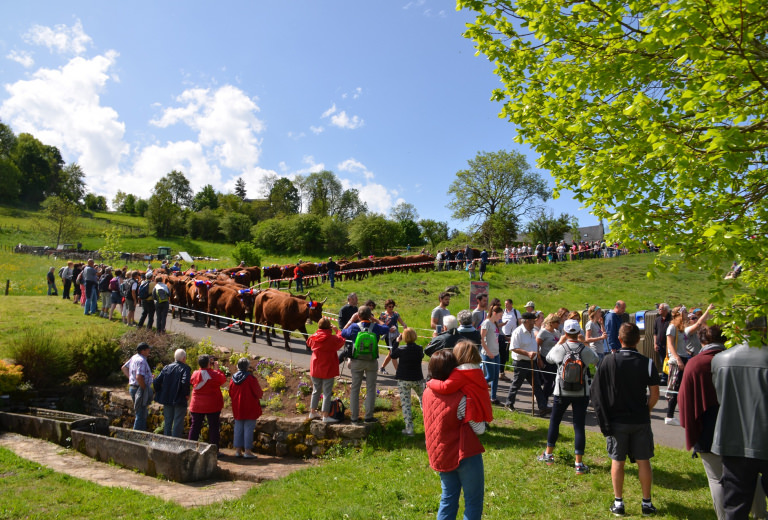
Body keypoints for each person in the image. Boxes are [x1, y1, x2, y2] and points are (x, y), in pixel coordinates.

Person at [591, 323, 660, 516]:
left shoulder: (607, 361)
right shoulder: (647, 363)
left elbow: (596, 391)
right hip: (640, 420)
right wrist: (647, 410)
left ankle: (619, 503)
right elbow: (655, 393)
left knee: (617, 461)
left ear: (619, 340)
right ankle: (646, 503)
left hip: (616, 421)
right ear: (638, 340)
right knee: (643, 460)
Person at [423, 349, 487, 520]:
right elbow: (479, 429)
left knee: (448, 498)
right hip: (464, 453)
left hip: (440, 451)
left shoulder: (427, 392)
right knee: (473, 501)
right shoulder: (461, 397)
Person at [711, 330, 768, 519]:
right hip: (762, 437)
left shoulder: (721, 359)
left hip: (733, 439)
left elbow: (720, 396)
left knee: (735, 506)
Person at [539, 319, 599, 474]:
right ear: (579, 332)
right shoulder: (584, 350)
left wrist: (560, 342)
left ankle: (549, 454)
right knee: (578, 425)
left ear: (565, 332)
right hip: (581, 392)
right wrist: (583, 344)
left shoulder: (560, 348)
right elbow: (595, 360)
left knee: (555, 421)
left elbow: (549, 358)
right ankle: (579, 463)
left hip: (561, 391)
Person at [341, 306, 392, 423]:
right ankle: (368, 417)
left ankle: (354, 418)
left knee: (355, 389)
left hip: (357, 361)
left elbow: (343, 333)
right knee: (370, 389)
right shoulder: (376, 327)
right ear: (370, 315)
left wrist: (351, 320)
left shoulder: (354, 327)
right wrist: (375, 320)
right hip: (371, 361)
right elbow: (386, 328)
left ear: (358, 316)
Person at [665, 304, 713, 425]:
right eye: (685, 313)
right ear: (680, 315)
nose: (687, 316)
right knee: (675, 388)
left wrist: (707, 311)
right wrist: (678, 359)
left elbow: (698, 324)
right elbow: (669, 344)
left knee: (683, 388)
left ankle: (683, 415)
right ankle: (669, 416)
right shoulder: (672, 328)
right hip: (677, 360)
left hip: (684, 358)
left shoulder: (683, 330)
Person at [505, 312, 549, 416]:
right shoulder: (518, 332)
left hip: (532, 362)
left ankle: (542, 407)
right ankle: (509, 404)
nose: (535, 321)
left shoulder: (532, 331)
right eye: (533, 320)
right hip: (521, 363)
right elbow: (513, 348)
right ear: (527, 321)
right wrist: (527, 353)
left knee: (537, 385)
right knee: (516, 384)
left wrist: (536, 357)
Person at [307, 317, 345, 423]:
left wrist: (319, 331)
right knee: (327, 393)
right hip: (328, 368)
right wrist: (337, 330)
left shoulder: (313, 337)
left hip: (315, 367)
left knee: (316, 390)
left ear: (318, 326)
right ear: (329, 326)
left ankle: (312, 412)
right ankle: (325, 415)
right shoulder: (332, 338)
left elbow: (309, 342)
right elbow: (342, 340)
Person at [390, 327, 425, 436]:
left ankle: (409, 429)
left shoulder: (401, 349)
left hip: (403, 379)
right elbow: (422, 356)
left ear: (403, 338)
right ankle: (429, 424)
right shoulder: (419, 348)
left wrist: (396, 342)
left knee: (406, 405)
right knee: (424, 402)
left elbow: (392, 355)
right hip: (417, 378)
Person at [188, 355, 227, 449]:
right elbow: (222, 379)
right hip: (212, 405)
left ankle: (190, 448)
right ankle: (214, 450)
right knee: (214, 427)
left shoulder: (195, 373)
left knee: (195, 427)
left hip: (197, 404)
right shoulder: (214, 374)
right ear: (209, 364)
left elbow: (193, 380)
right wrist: (217, 369)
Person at [229, 357, 264, 458]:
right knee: (248, 428)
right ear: (247, 366)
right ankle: (247, 451)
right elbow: (258, 393)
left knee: (238, 427)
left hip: (237, 407)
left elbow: (230, 393)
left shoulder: (233, 378)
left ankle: (238, 450)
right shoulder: (250, 378)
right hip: (249, 406)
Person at [153, 348, 191, 438]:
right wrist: (186, 394)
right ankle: (175, 443)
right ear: (184, 358)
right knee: (178, 422)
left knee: (168, 421)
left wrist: (160, 392)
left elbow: (156, 381)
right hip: (179, 398)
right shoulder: (185, 368)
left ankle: (166, 442)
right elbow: (185, 382)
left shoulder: (167, 367)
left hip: (167, 398)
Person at [121, 342, 154, 431]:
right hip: (139, 389)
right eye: (148, 349)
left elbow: (124, 368)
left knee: (142, 412)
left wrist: (131, 379)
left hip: (134, 387)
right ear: (143, 351)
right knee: (141, 413)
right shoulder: (141, 360)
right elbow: (139, 377)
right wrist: (144, 388)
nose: (149, 350)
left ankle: (141, 434)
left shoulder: (134, 357)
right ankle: (137, 435)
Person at [480, 305, 504, 405]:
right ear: (494, 313)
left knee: (495, 377)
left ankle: (493, 397)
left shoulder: (495, 323)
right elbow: (481, 339)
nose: (501, 317)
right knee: (489, 376)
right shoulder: (486, 323)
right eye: (500, 315)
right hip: (488, 354)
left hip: (496, 353)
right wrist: (488, 352)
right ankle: (477, 387)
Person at [536, 313, 561, 406]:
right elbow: (537, 345)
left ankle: (543, 396)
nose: (559, 324)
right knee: (548, 381)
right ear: (551, 322)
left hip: (555, 360)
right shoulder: (543, 332)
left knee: (556, 380)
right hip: (545, 358)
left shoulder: (556, 332)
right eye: (557, 322)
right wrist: (539, 359)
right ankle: (544, 401)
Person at [379, 299, 407, 374]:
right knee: (393, 352)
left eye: (392, 306)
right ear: (386, 306)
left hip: (396, 336)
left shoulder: (395, 314)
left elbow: (401, 322)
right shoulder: (383, 315)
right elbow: (380, 325)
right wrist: (388, 329)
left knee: (391, 353)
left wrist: (404, 326)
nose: (391, 308)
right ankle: (399, 372)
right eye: (389, 306)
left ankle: (382, 367)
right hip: (388, 336)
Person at [654, 303, 672, 381]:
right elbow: (655, 333)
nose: (659, 310)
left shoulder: (671, 320)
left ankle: (668, 377)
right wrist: (655, 343)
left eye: (661, 309)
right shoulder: (657, 320)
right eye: (659, 308)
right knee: (662, 361)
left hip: (668, 345)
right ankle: (664, 377)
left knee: (669, 361)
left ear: (666, 310)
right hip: (660, 345)